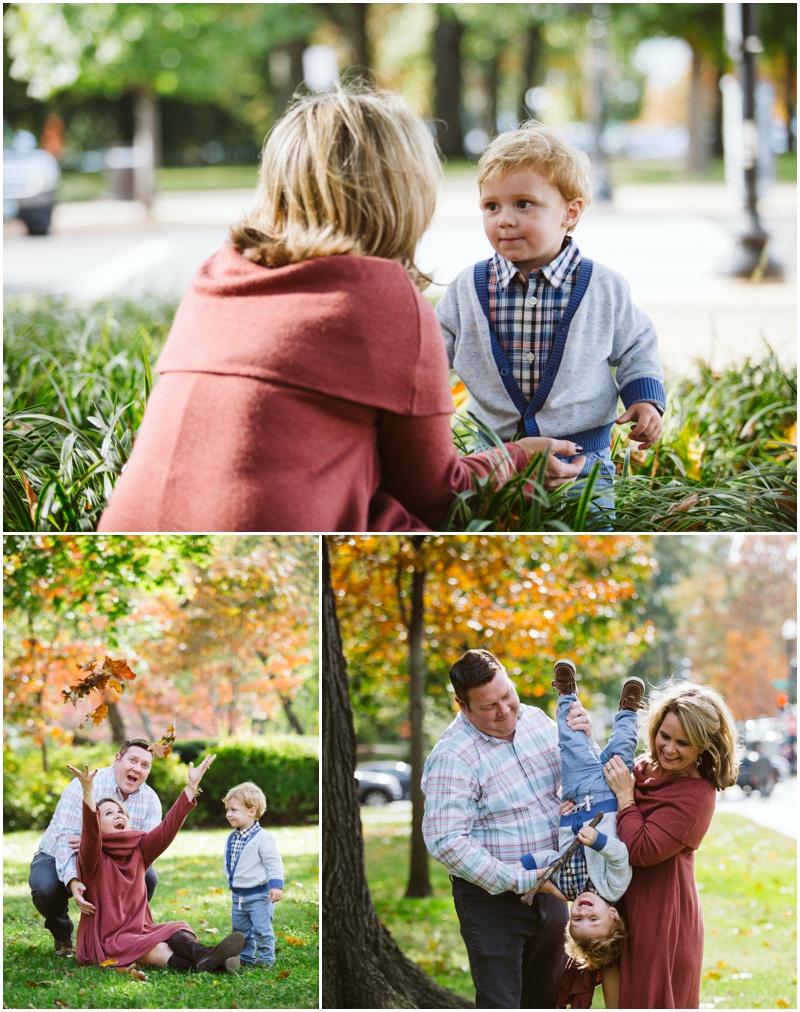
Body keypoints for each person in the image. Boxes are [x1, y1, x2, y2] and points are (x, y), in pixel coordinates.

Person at [97, 88, 584, 534]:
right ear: (401, 195)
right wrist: (520, 458)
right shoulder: (383, 298)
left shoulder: (216, 275)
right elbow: (438, 496)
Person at [435, 122, 666, 511]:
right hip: (498, 457)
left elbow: (637, 345)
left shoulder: (603, 287)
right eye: (491, 206)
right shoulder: (466, 289)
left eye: (523, 203)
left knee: (589, 524)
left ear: (570, 212)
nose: (504, 219)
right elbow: (430, 353)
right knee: (498, 529)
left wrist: (644, 399)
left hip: (581, 458)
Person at [421, 648, 593, 1009]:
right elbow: (446, 840)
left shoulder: (535, 720)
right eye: (488, 707)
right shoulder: (453, 756)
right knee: (501, 1002)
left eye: (507, 696)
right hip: (492, 903)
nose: (504, 711)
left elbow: (583, 778)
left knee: (547, 999)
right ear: (462, 706)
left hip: (554, 892)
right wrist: (520, 879)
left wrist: (584, 739)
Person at [601, 681, 741, 1009]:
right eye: (665, 735)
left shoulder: (697, 794)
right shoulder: (638, 768)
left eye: (684, 743)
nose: (670, 749)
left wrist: (625, 798)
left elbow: (641, 849)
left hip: (660, 914)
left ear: (704, 746)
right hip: (619, 903)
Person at [518, 661, 645, 1009]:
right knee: (623, 747)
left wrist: (522, 864)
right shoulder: (614, 888)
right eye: (593, 919)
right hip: (608, 792)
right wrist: (598, 841)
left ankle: (565, 692)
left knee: (570, 742)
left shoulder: (569, 888)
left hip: (575, 793)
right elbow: (620, 855)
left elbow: (550, 859)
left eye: (578, 919)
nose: (584, 912)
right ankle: (628, 710)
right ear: (614, 915)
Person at [67, 753, 245, 972]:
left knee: (176, 929)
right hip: (106, 940)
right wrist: (88, 790)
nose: (117, 815)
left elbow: (167, 827)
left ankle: (207, 958)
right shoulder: (92, 856)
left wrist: (191, 785)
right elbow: (91, 834)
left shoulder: (139, 849)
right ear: (97, 822)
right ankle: (212, 960)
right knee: (161, 950)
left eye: (120, 811)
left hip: (139, 930)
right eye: (108, 813)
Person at [29, 738, 162, 957]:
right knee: (45, 888)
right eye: (132, 760)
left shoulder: (151, 801)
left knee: (149, 879)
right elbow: (65, 841)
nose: (137, 768)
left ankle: (122, 933)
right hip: (59, 854)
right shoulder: (84, 786)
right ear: (118, 759)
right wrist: (73, 882)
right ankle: (62, 934)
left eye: (145, 765)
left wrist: (95, 842)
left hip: (114, 861)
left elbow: (147, 851)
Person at [223, 781, 284, 969]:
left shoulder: (263, 838)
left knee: (262, 930)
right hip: (239, 896)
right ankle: (246, 958)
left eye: (234, 810)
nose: (229, 814)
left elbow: (273, 862)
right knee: (241, 931)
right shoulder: (232, 837)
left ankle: (266, 960)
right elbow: (232, 863)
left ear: (252, 811)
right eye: (228, 809)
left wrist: (276, 886)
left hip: (259, 895)